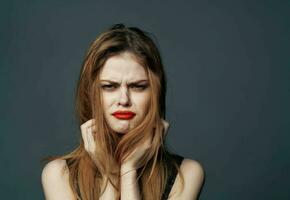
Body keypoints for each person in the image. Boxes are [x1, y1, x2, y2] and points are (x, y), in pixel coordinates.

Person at [41, 23, 204, 200]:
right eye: (109, 86)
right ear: (90, 93)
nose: (124, 100)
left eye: (138, 87)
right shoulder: (59, 174)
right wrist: (109, 175)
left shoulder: (187, 174)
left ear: (155, 94)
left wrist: (128, 171)